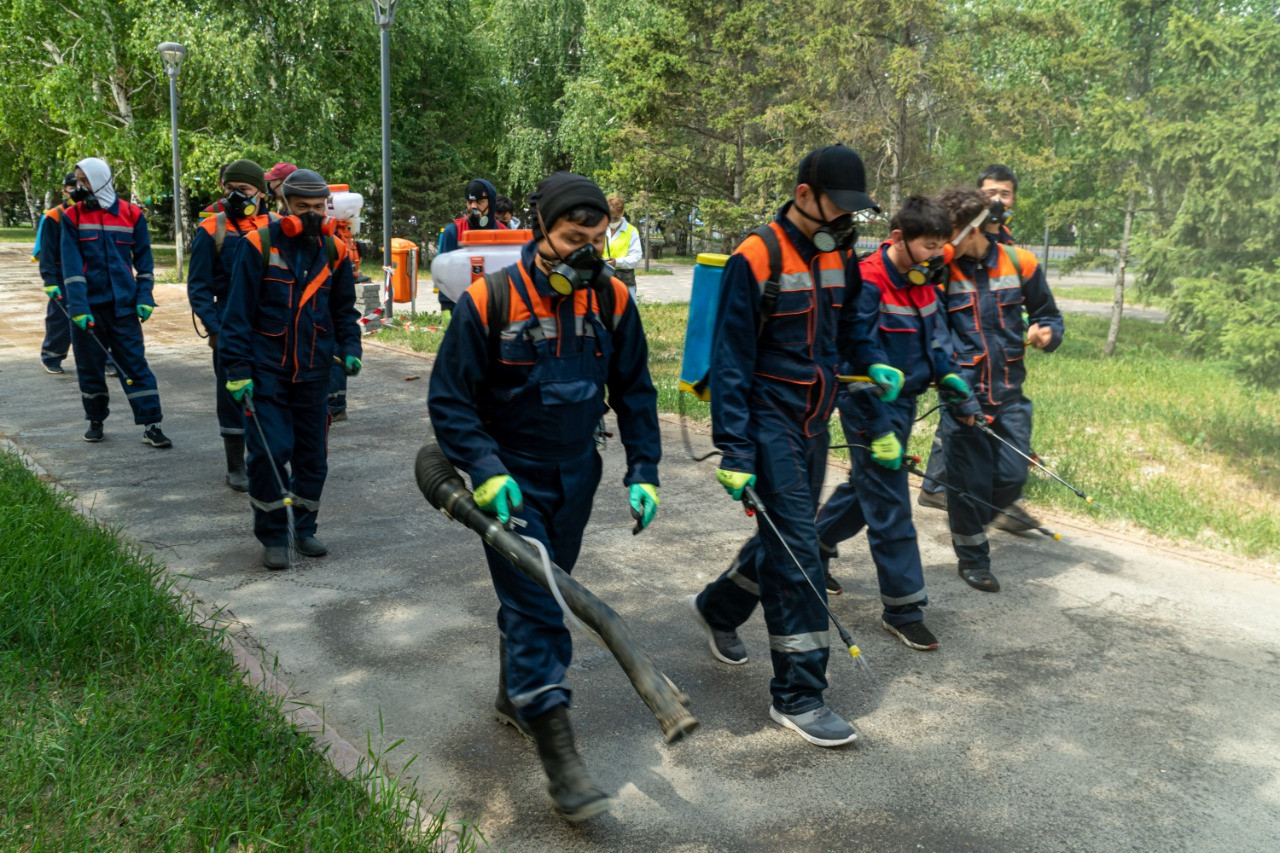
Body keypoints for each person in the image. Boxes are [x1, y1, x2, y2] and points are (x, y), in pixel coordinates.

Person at [427, 172, 661, 822]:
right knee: (542, 608)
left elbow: (637, 391)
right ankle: (565, 767)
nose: (586, 251)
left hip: (576, 474)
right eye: (571, 238)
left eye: (597, 238)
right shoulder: (490, 301)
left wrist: (644, 468)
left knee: (542, 591)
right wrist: (482, 465)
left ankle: (513, 696)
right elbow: (449, 397)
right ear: (541, 232)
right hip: (511, 480)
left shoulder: (612, 302)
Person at [688, 145, 878, 748]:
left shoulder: (839, 254)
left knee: (787, 538)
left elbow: (850, 329)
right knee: (801, 552)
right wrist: (737, 452)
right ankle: (799, 695)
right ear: (803, 196)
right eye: (837, 207)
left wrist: (871, 364)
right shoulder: (757, 257)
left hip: (816, 420)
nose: (846, 221)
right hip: (769, 423)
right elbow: (732, 360)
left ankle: (720, 606)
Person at [814, 196, 979, 651]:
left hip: (905, 403)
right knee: (890, 504)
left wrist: (946, 372)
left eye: (939, 247)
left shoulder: (921, 277)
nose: (935, 256)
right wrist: (880, 429)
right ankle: (904, 609)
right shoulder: (867, 282)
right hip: (869, 405)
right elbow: (857, 358)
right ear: (897, 238)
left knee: (866, 488)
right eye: (928, 246)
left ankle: (815, 543)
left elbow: (937, 333)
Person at [220, 169, 362, 569]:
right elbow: (236, 314)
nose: (313, 215)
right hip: (266, 371)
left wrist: (351, 347)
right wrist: (237, 368)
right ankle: (272, 536)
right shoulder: (257, 245)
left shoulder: (334, 250)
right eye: (303, 208)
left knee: (312, 457)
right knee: (268, 452)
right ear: (284, 205)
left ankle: (305, 528)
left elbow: (344, 311)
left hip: (314, 373)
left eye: (319, 207)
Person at [934, 186, 1063, 592]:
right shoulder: (941, 273)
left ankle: (969, 515)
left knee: (1010, 478)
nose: (944, 241)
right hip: (963, 396)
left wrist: (1047, 333)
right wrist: (958, 393)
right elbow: (937, 338)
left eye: (951, 232)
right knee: (967, 482)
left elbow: (1048, 314)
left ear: (971, 230)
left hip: (1010, 396)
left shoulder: (1019, 262)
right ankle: (973, 558)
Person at [919, 163, 1020, 512]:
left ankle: (941, 486)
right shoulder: (955, 246)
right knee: (959, 410)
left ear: (1013, 200)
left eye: (1004, 194)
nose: (997, 200)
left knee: (972, 415)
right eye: (990, 193)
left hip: (997, 359)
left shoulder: (1007, 245)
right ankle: (947, 490)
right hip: (960, 353)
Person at [60, 157, 171, 448]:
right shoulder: (72, 217)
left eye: (84, 180)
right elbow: (71, 269)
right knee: (90, 367)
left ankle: (152, 425)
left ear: (100, 180)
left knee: (135, 366)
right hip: (90, 310)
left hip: (124, 308)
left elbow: (145, 263)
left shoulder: (133, 215)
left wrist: (145, 297)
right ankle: (95, 421)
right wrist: (79, 308)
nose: (78, 186)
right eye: (77, 180)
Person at [187, 159, 276, 491]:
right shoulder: (212, 229)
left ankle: (267, 457)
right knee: (231, 396)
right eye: (230, 188)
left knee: (270, 392)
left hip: (269, 327)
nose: (235, 195)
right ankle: (236, 465)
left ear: (260, 192)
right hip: (227, 327)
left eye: (244, 189)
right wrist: (216, 328)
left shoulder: (278, 225)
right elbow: (198, 287)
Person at [435, 178, 508, 323]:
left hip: (494, 308)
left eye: (480, 202)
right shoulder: (453, 232)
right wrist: (446, 309)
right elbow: (444, 273)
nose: (473, 208)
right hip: (462, 307)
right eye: (469, 202)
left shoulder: (503, 232)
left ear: (491, 203)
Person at [34, 172, 78, 375]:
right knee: (60, 316)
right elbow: (47, 251)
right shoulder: (55, 215)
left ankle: (104, 358)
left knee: (96, 315)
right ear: (64, 189)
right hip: (61, 272)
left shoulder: (91, 213)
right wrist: (49, 280)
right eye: (72, 186)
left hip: (85, 271)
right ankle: (52, 355)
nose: (76, 190)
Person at [602, 196, 643, 297]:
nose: (612, 221)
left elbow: (636, 258)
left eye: (615, 218)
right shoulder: (600, 228)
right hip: (602, 278)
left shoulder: (631, 231)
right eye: (609, 217)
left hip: (624, 279)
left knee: (628, 310)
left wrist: (617, 262)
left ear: (622, 213)